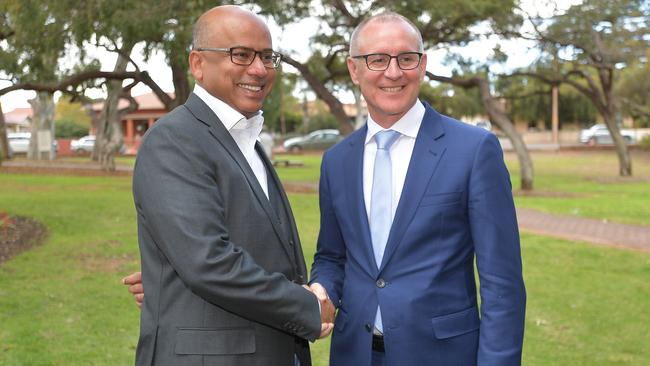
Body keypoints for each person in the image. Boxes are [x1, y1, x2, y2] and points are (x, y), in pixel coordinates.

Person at [308, 13, 526, 365]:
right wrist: (322, 288)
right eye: (377, 59)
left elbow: (502, 283)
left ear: (422, 65)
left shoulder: (473, 150)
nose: (393, 72)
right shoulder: (336, 161)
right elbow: (333, 257)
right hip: (355, 354)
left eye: (406, 58)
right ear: (354, 69)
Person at [125, 5, 334, 366]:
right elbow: (208, 262)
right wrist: (306, 307)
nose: (258, 69)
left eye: (267, 57)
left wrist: (164, 276)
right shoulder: (174, 140)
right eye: (240, 54)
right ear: (197, 64)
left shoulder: (246, 139)